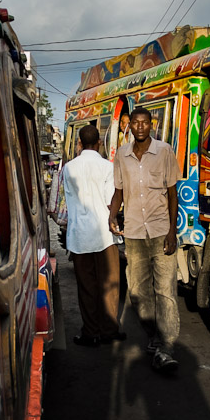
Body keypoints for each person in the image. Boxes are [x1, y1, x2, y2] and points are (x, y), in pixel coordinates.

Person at [108, 106, 180, 373]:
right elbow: (118, 192)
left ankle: (167, 347)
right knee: (138, 292)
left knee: (166, 291)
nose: (139, 127)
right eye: (135, 123)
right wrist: (112, 214)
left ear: (152, 125)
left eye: (144, 123)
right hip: (135, 234)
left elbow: (173, 194)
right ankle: (154, 335)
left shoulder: (164, 151)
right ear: (130, 127)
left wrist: (172, 231)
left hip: (161, 230)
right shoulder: (122, 157)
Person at [62, 125, 124, 346]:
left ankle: (91, 332)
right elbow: (111, 202)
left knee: (87, 286)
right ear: (99, 143)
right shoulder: (108, 167)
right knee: (110, 283)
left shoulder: (68, 168)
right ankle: (109, 329)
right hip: (105, 235)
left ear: (80, 143)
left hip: (79, 235)